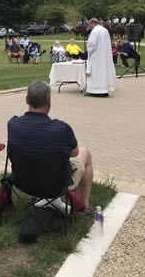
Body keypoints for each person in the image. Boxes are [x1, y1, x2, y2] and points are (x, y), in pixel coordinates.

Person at [7, 81, 93, 210]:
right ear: (49, 101)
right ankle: (83, 207)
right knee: (84, 152)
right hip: (56, 185)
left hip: (22, 182)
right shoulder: (62, 129)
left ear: (26, 100)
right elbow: (74, 153)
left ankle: (37, 197)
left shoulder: (13, 124)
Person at [85, 18, 116, 97]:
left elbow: (92, 44)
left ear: (92, 23)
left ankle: (96, 90)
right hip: (105, 56)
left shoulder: (95, 31)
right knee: (104, 72)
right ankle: (104, 90)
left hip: (97, 57)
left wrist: (88, 47)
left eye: (89, 25)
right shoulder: (105, 31)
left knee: (96, 73)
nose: (89, 27)